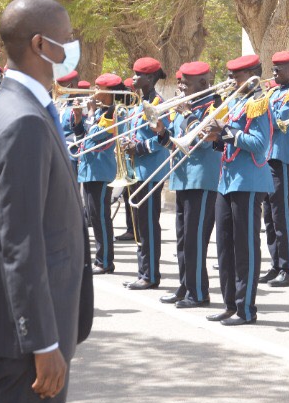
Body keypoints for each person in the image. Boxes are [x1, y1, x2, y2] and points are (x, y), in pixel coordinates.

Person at [0, 0, 91, 403]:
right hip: (25, 334)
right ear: (40, 44)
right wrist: (42, 341)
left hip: (18, 324)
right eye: (68, 38)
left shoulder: (15, 106)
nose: (73, 45)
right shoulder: (23, 120)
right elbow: (20, 242)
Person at [204, 54, 273, 326]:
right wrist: (215, 137)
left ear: (253, 75)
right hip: (227, 179)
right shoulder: (236, 103)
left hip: (249, 180)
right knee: (224, 246)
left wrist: (227, 132)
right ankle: (230, 303)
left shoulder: (259, 103)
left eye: (237, 76)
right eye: (231, 75)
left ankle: (246, 308)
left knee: (245, 246)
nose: (232, 80)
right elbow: (228, 142)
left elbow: (260, 143)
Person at [160, 61, 220, 308]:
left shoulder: (213, 106)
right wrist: (161, 133)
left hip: (203, 179)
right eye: (181, 81)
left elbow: (205, 142)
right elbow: (176, 143)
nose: (181, 85)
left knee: (196, 239)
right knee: (183, 238)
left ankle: (198, 292)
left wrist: (187, 114)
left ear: (203, 83)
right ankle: (185, 285)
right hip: (183, 177)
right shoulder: (185, 108)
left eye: (186, 82)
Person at [121, 57, 171, 291]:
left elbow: (160, 140)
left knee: (148, 224)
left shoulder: (157, 103)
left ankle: (150, 274)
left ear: (150, 78)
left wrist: (137, 148)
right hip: (137, 170)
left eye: (138, 74)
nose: (133, 78)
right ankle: (143, 271)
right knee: (139, 224)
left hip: (150, 170)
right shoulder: (140, 101)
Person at [261, 50, 289, 287]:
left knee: (282, 216)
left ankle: (288, 268)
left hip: (283, 158)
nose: (275, 72)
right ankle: (275, 264)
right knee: (269, 216)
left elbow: (280, 121)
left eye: (279, 69)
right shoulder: (272, 92)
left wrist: (257, 113)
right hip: (267, 156)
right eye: (274, 68)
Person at [71, 73, 124, 274]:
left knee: (101, 217)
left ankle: (105, 261)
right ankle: (100, 258)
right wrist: (78, 118)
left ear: (108, 92)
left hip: (101, 171)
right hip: (89, 169)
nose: (93, 92)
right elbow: (82, 139)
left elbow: (95, 136)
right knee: (93, 215)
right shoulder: (101, 113)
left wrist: (90, 114)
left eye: (97, 88)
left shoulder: (111, 113)